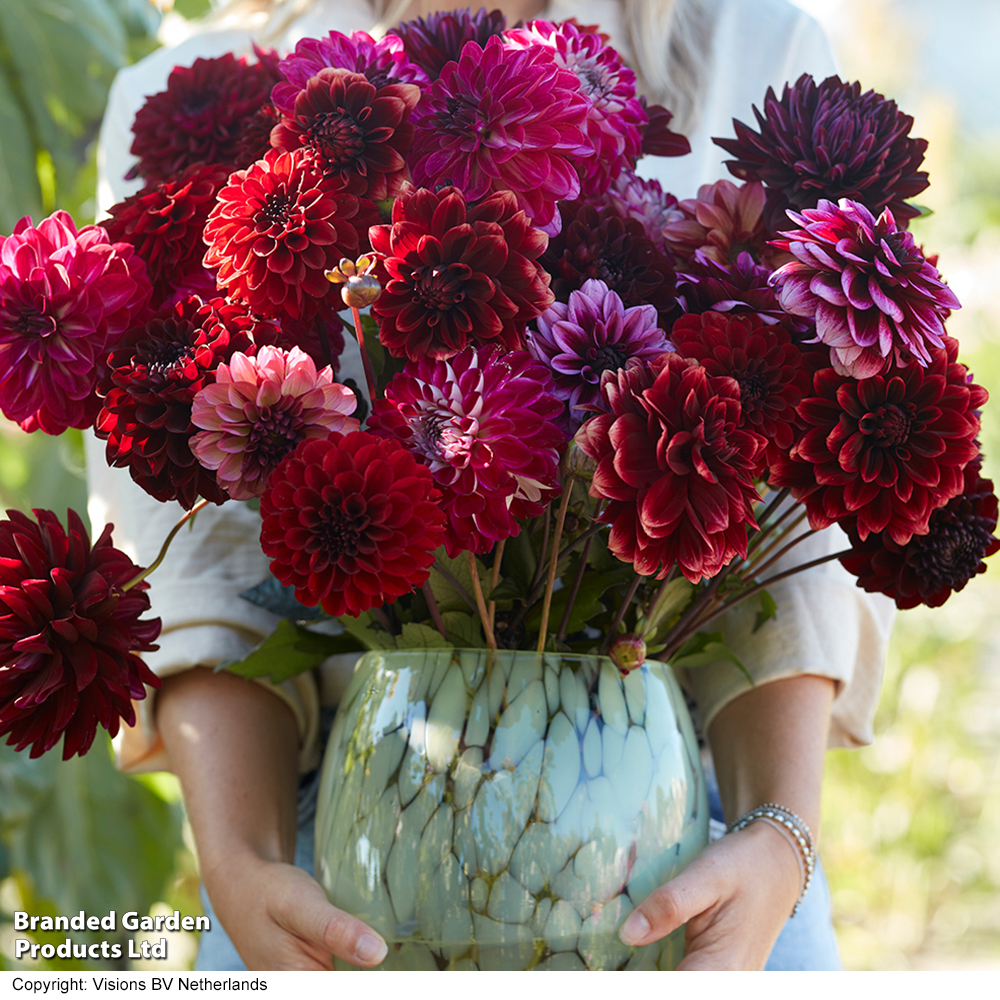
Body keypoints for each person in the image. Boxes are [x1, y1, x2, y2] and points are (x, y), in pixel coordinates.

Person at [88, 0, 895, 971]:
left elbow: (795, 493)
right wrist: (240, 857)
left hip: (696, 840)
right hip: (326, 851)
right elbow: (200, 554)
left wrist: (778, 837)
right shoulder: (207, 91)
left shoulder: (752, 44)